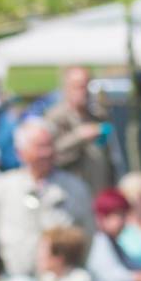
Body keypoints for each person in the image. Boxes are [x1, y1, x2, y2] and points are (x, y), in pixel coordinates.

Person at [0, 120, 93, 276]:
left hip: (61, 279)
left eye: (50, 146)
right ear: (20, 152)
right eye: (40, 147)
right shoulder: (3, 186)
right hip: (17, 278)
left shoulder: (74, 186)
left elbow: (87, 233)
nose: (47, 153)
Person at [45, 66, 117, 196]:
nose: (84, 92)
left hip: (99, 190)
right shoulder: (56, 117)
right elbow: (50, 153)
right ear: (66, 88)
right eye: (78, 86)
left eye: (87, 86)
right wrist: (78, 136)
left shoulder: (98, 116)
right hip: (70, 192)